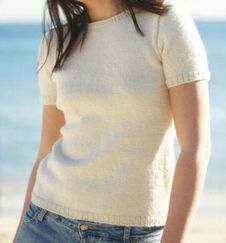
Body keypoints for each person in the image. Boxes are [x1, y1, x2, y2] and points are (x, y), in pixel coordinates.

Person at [13, 0, 212, 242]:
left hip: (132, 233)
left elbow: (196, 148)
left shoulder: (165, 22)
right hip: (45, 222)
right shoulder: (55, 43)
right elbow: (46, 150)